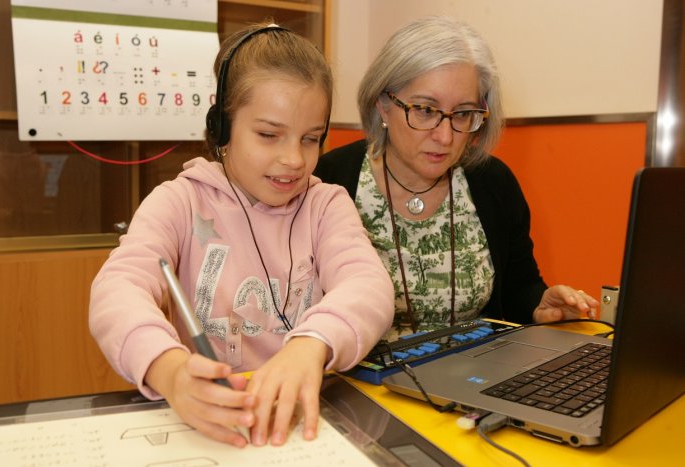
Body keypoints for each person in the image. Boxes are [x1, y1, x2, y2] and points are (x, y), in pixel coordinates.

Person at [89, 23, 393, 449]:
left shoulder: (326, 205)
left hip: (304, 425)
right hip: (212, 427)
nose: (293, 159)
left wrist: (311, 344)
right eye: (269, 135)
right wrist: (169, 369)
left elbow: (369, 284)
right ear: (222, 127)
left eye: (311, 139)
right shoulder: (179, 201)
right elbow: (116, 290)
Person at [314, 16, 597, 341]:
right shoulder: (331, 180)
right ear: (382, 104)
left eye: (462, 113)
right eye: (425, 109)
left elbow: (520, 288)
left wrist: (539, 306)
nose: (445, 137)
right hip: (365, 381)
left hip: (475, 380)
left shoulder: (493, 182)